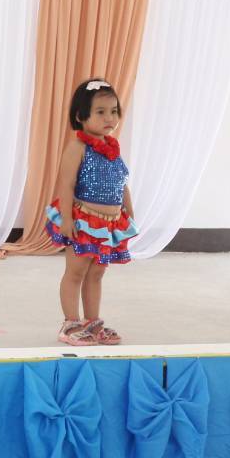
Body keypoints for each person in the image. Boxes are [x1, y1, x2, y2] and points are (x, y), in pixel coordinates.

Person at [47, 78, 137, 346]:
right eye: (100, 112)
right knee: (76, 271)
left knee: (97, 273)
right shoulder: (78, 147)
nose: (109, 118)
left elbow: (122, 183)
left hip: (109, 224)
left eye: (114, 111)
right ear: (80, 116)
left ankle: (92, 322)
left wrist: (129, 213)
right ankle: (70, 323)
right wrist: (67, 218)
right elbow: (67, 183)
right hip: (84, 220)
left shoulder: (112, 149)